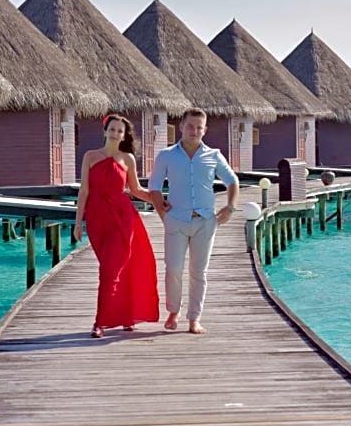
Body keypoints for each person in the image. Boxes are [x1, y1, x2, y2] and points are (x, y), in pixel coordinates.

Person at [148, 108, 239, 334]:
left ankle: (194, 318)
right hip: (176, 220)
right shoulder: (166, 155)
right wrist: (163, 214)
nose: (194, 131)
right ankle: (173, 311)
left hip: (205, 221)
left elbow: (232, 181)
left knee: (199, 272)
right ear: (181, 126)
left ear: (205, 130)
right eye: (190, 126)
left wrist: (230, 207)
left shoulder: (214, 155)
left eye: (199, 127)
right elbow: (154, 187)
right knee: (173, 269)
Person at [73, 114, 159, 338]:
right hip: (96, 218)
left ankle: (100, 322)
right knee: (113, 269)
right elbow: (84, 191)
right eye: (112, 129)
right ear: (105, 131)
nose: (115, 134)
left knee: (109, 271)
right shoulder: (90, 156)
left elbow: (136, 190)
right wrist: (78, 223)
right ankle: (126, 317)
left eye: (119, 131)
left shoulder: (127, 159)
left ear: (123, 136)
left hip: (122, 218)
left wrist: (160, 200)